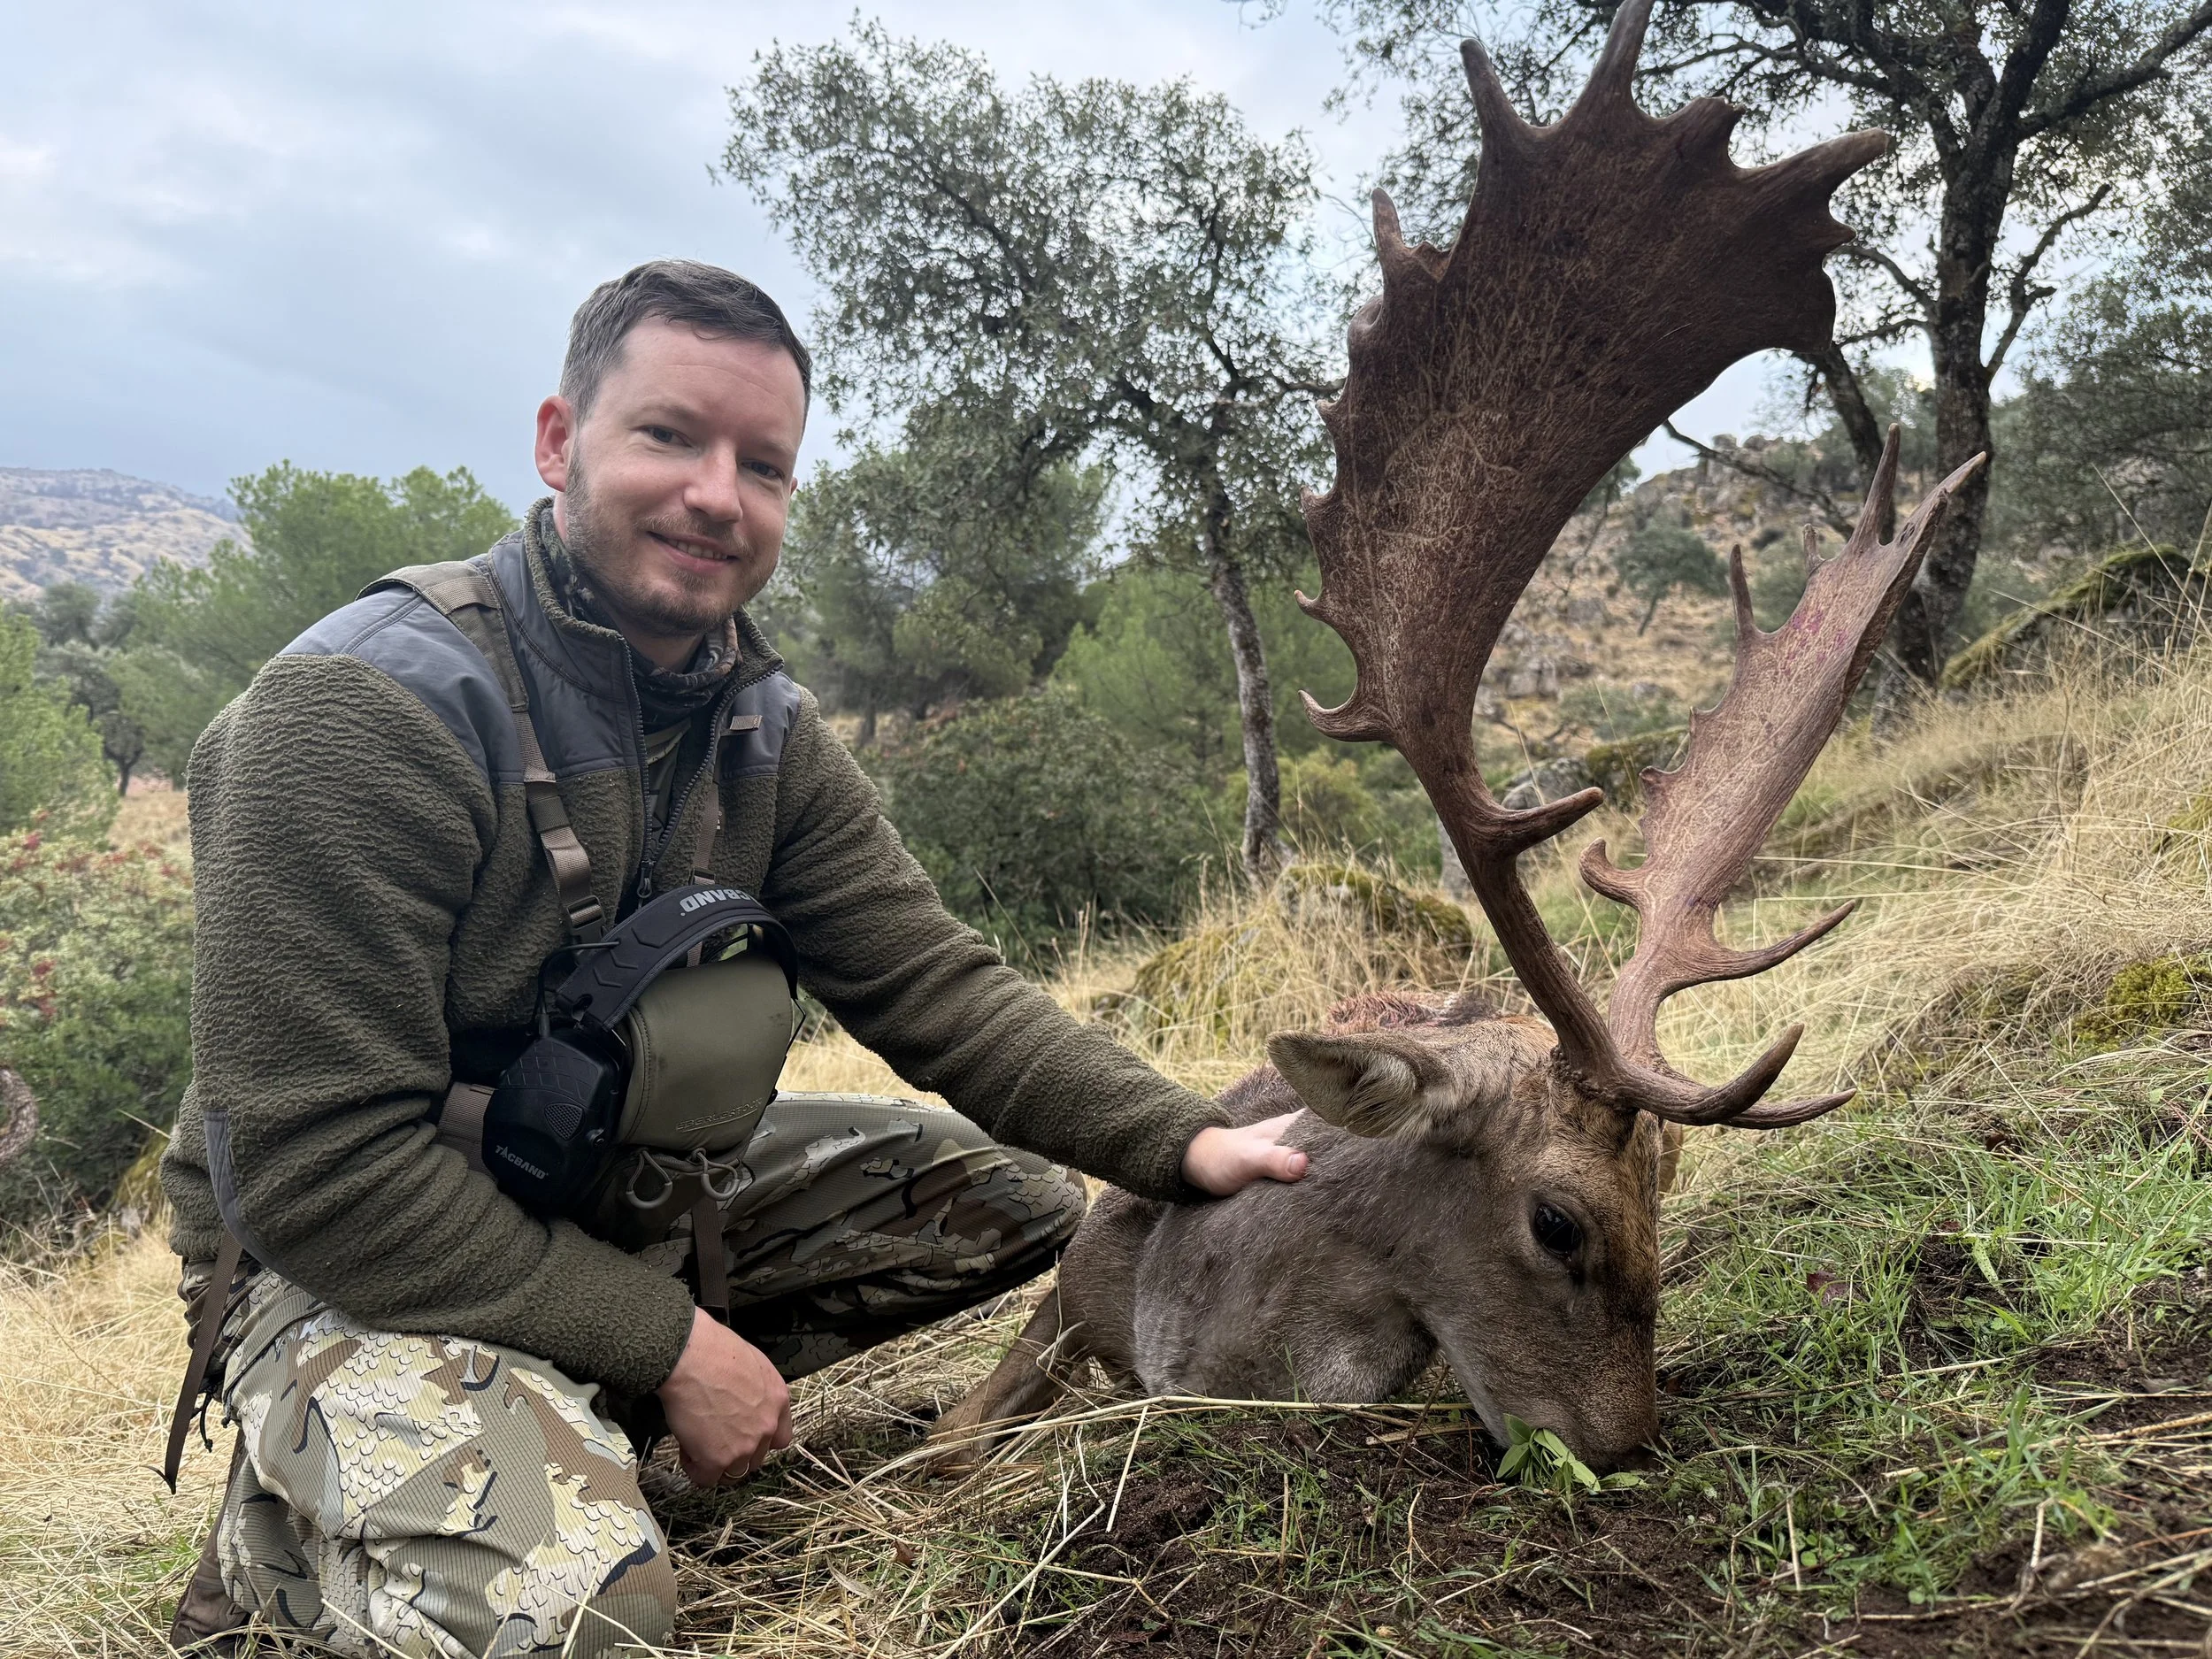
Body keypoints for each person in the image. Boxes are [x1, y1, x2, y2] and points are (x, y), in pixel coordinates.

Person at [158, 259, 1309, 1655]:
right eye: (669, 436)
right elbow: (311, 1173)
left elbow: (929, 979)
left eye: (763, 464)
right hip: (342, 1255)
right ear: (556, 440)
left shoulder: (757, 725)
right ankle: (285, 1540)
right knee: (593, 1618)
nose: (719, 493)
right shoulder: (358, 712)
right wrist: (671, 1344)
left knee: (1009, 1203)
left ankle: (555, 1414)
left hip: (581, 1189)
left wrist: (1183, 1140)